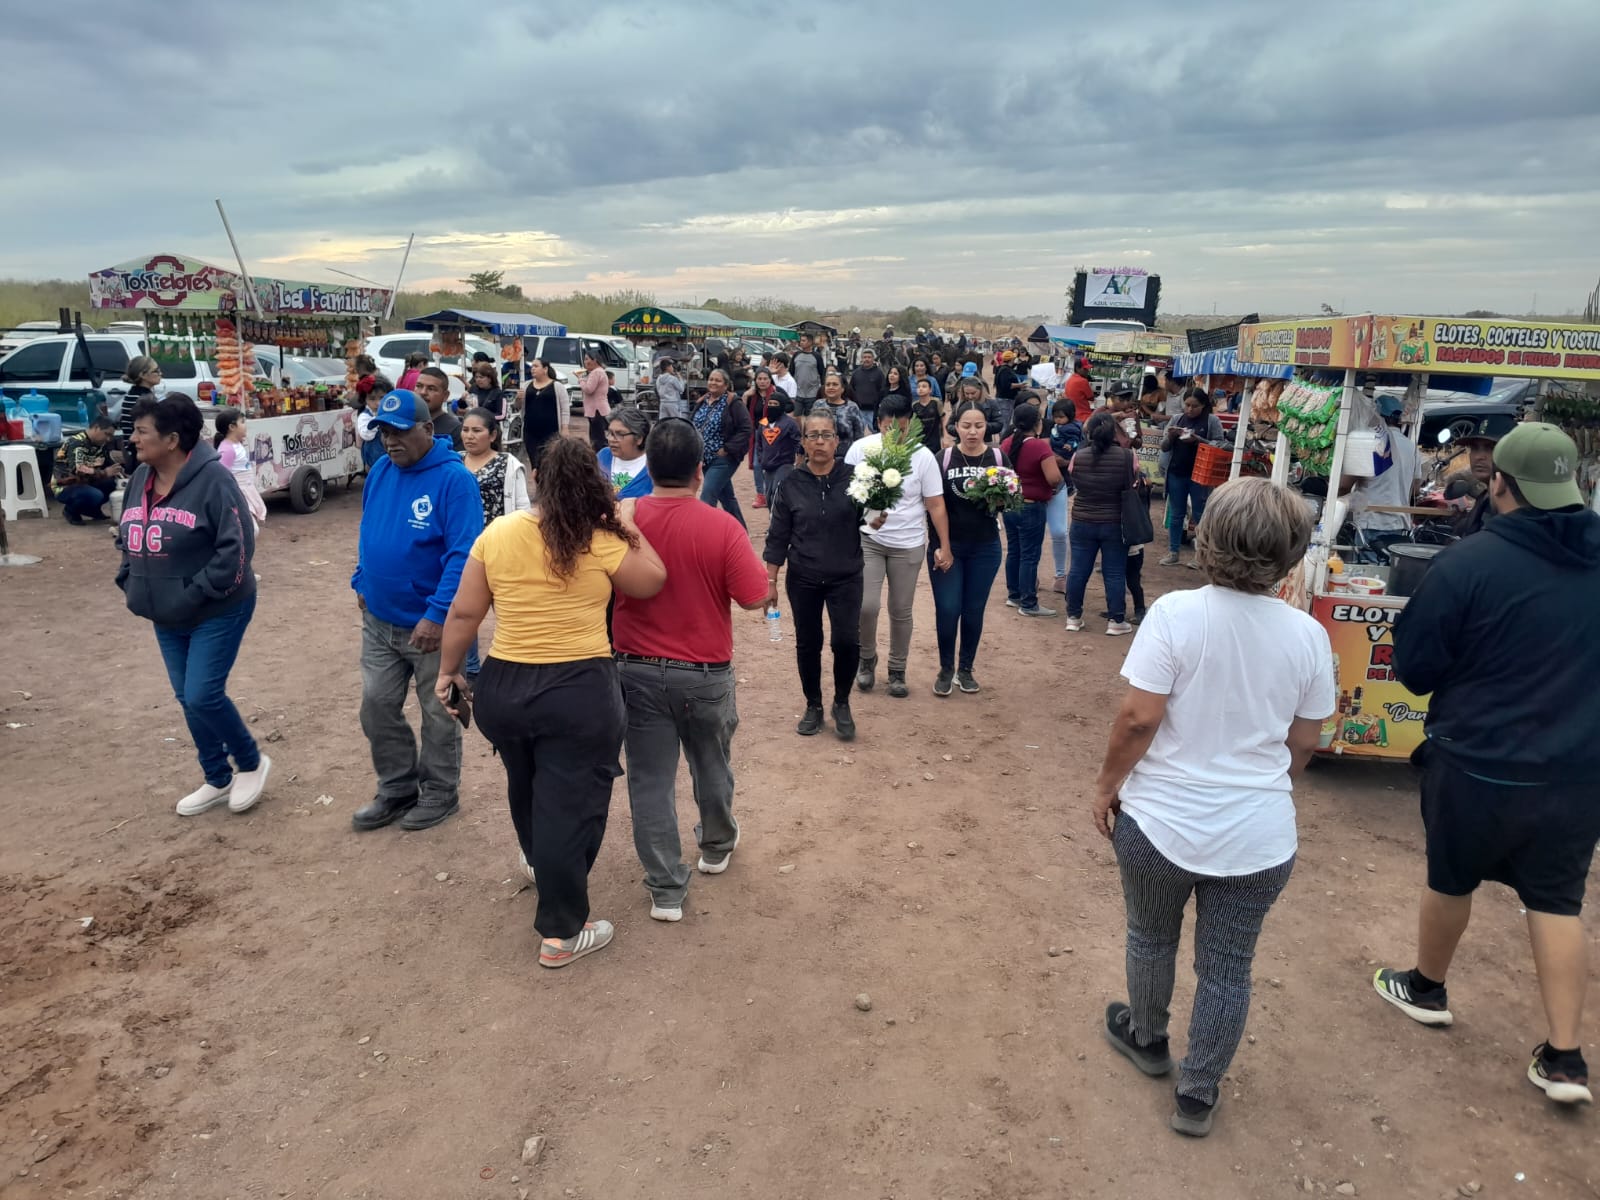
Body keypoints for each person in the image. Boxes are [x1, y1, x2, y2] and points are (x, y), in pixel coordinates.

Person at [1093, 477, 1333, 1138]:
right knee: (1228, 968)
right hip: (1258, 838)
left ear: (1208, 537)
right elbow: (1305, 742)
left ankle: (1147, 1037)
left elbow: (1138, 719)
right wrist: (1260, 787)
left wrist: (1107, 785)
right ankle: (1197, 1093)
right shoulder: (1308, 635)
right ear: (1291, 553)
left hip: (1159, 823)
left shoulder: (1177, 615)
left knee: (1150, 935)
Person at [1374, 423, 1600, 1106]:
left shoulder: (1468, 563)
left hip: (1475, 760)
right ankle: (1565, 1060)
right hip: (1577, 770)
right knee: (1557, 901)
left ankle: (1426, 988)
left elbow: (1415, 668)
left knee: (1450, 877)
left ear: (1499, 483)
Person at [436, 436, 666, 968]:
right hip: (579, 691)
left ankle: (542, 864)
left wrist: (448, 672)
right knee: (572, 806)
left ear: (537, 478)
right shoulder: (599, 538)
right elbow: (652, 581)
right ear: (595, 484)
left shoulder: (499, 532)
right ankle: (562, 932)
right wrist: (625, 522)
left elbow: (465, 614)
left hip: (505, 688)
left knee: (527, 783)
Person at [612, 420, 770, 922]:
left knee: (650, 781)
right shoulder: (721, 526)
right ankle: (716, 844)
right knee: (712, 762)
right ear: (700, 471)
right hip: (704, 672)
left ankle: (665, 888)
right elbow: (753, 598)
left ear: (649, 467)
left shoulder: (622, 521)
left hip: (635, 669)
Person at [118, 395, 270, 817]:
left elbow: (238, 548)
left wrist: (194, 592)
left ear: (171, 439)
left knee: (202, 694)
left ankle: (251, 763)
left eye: (141, 432)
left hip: (217, 608)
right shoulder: (140, 478)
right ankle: (217, 777)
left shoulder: (214, 480)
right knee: (187, 698)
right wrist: (129, 578)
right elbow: (126, 534)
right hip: (164, 612)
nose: (133, 439)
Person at [350, 390, 483, 834]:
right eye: (385, 433)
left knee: (440, 711)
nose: (391, 441)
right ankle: (397, 787)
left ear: (428, 429)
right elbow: (369, 529)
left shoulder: (454, 480)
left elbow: (464, 555)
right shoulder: (381, 471)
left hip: (434, 627)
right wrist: (360, 579)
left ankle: (441, 792)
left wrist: (437, 614)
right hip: (379, 621)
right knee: (376, 706)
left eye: (400, 432)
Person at [763, 410, 864, 740]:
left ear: (837, 441)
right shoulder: (790, 484)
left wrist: (879, 517)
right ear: (803, 443)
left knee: (846, 641)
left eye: (826, 435)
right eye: (813, 436)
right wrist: (770, 581)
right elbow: (777, 536)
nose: (820, 442)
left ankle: (842, 702)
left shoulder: (856, 478)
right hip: (803, 577)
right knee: (808, 643)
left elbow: (871, 516)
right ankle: (814, 704)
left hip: (846, 575)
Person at [846, 394, 951, 698]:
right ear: (878, 423)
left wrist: (945, 545)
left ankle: (897, 669)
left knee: (900, 609)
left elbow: (935, 504)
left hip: (908, 544)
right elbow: (847, 495)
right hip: (869, 540)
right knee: (866, 606)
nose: (895, 436)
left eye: (902, 430)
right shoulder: (860, 450)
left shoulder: (923, 457)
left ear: (911, 425)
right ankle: (866, 659)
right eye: (888, 429)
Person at [927, 401, 1008, 696]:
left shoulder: (997, 457)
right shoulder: (944, 458)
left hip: (985, 548)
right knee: (948, 608)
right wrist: (941, 546)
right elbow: (932, 505)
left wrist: (1001, 499)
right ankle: (946, 668)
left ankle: (965, 669)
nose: (972, 432)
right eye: (966, 426)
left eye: (979, 426)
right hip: (948, 547)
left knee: (974, 610)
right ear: (955, 427)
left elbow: (1010, 498)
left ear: (987, 427)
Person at [1065, 411, 1141, 635]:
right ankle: (1116, 621)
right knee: (1115, 572)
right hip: (1115, 521)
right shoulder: (1127, 456)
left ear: (1089, 433)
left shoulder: (1078, 456)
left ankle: (1073, 617)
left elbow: (1073, 478)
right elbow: (1134, 481)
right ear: (1113, 433)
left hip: (1082, 519)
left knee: (1078, 570)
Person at [999, 403, 1062, 618]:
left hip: (1011, 504)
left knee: (1014, 550)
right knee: (1030, 555)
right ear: (1038, 423)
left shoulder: (1007, 443)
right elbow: (1054, 478)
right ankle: (1028, 602)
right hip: (1031, 506)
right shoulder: (1039, 446)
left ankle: (1014, 594)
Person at [1345, 394, 1420, 559]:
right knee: (1390, 571)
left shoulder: (1370, 441)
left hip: (1371, 523)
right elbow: (1415, 489)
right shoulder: (1412, 448)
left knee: (1367, 571)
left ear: (1377, 415)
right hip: (1399, 525)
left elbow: (1345, 484)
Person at [1158, 388, 1223, 567]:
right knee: (1176, 514)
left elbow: (1220, 444)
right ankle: (1173, 552)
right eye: (1187, 405)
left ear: (1203, 405)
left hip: (1200, 475)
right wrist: (1171, 436)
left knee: (1201, 515)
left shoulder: (1211, 421)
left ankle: (1200, 556)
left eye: (1195, 406)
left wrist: (1198, 440)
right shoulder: (1176, 419)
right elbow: (1164, 447)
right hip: (1176, 472)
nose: (1190, 409)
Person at [691, 369, 753, 528]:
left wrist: (727, 448)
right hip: (705, 459)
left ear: (726, 385)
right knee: (727, 498)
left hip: (723, 459)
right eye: (711, 379)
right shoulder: (702, 401)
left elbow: (746, 428)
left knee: (707, 498)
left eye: (718, 380)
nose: (713, 383)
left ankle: (703, 535)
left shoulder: (733, 403)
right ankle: (741, 533)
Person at [1447, 414, 1511, 538]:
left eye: (1490, 448)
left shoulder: (1511, 504)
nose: (1478, 457)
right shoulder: (1487, 497)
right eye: (1475, 448)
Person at [461, 408, 532, 519]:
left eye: (477, 431)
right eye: (465, 430)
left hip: (496, 529)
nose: (469, 436)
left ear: (492, 435)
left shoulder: (507, 463)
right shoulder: (455, 460)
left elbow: (522, 507)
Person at [1044, 398, 1084, 594]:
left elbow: (1078, 445)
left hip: (1059, 481)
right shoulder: (1049, 427)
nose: (1058, 420)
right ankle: (1029, 577)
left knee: (1060, 532)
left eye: (1061, 417)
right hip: (1036, 488)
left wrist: (1067, 454)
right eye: (1056, 417)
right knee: (1033, 533)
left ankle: (1061, 576)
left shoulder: (1072, 428)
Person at [53, 416, 119, 525]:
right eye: (106, 434)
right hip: (66, 485)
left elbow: (107, 463)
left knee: (112, 483)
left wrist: (119, 471)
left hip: (86, 482)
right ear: (96, 428)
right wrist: (104, 473)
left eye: (111, 436)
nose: (108, 439)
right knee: (95, 494)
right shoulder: (77, 443)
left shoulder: (100, 445)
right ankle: (70, 511)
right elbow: (78, 470)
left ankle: (92, 510)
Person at [212, 409, 267, 532]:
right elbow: (220, 476)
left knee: (250, 530)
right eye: (242, 422)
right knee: (252, 530)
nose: (245, 425)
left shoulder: (237, 445)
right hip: (238, 494)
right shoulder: (227, 449)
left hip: (246, 491)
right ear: (232, 427)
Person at [756, 385, 802, 505]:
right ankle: (773, 515)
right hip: (768, 464)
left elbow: (797, 442)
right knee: (768, 496)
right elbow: (759, 442)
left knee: (777, 491)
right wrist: (761, 458)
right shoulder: (763, 422)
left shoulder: (790, 423)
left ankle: (782, 514)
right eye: (770, 403)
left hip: (784, 464)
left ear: (781, 406)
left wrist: (799, 457)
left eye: (775, 404)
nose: (772, 406)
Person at [744, 367, 783, 506]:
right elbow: (743, 412)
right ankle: (761, 495)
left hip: (774, 433)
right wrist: (745, 396)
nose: (762, 381)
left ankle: (772, 493)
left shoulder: (777, 392)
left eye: (765, 378)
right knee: (757, 464)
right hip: (757, 435)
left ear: (770, 380)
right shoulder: (752, 396)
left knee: (773, 465)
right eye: (759, 379)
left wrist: (764, 424)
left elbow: (787, 408)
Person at [116, 355, 162, 468]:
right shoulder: (144, 400)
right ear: (143, 375)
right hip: (141, 453)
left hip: (133, 451)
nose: (160, 373)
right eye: (156, 371)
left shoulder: (132, 394)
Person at [598, 408, 654, 499]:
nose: (611, 439)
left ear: (639, 438)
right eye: (610, 433)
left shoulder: (653, 467)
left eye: (620, 434)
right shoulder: (603, 456)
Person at [520, 357, 564, 472]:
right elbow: (519, 407)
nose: (532, 369)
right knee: (535, 463)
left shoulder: (557, 386)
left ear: (545, 369)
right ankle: (538, 482)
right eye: (532, 366)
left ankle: (548, 482)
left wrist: (565, 427)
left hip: (551, 432)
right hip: (530, 431)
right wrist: (518, 399)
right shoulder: (526, 385)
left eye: (536, 366)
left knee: (549, 462)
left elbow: (564, 409)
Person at [944, 371, 1002, 444]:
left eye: (973, 393)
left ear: (980, 390)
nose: (970, 396)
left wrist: (981, 426)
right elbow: (949, 426)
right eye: (967, 393)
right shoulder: (958, 405)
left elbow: (999, 424)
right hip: (962, 443)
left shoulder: (991, 403)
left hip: (985, 442)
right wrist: (962, 429)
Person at [414, 366, 464, 452]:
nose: (423, 392)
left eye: (431, 389)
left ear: (445, 396)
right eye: (419, 386)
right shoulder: (405, 421)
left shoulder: (455, 430)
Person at [819, 370, 867, 458]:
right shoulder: (818, 405)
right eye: (828, 384)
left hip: (846, 456)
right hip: (821, 454)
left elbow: (859, 435)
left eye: (835, 384)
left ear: (842, 389)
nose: (831, 387)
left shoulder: (852, 407)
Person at [578, 351, 611, 452]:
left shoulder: (596, 372)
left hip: (596, 410)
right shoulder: (600, 371)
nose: (585, 362)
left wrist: (581, 380)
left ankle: (600, 457)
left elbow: (588, 389)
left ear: (595, 360)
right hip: (599, 409)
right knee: (598, 436)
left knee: (597, 438)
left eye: (587, 359)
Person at [849, 347, 888, 426]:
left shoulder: (879, 373)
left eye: (869, 357)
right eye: (864, 357)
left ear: (873, 359)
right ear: (861, 359)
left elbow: (883, 390)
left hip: (873, 411)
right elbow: (851, 390)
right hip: (858, 410)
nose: (866, 359)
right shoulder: (856, 373)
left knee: (873, 431)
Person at [911, 376, 942, 456]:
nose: (920, 389)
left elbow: (943, 418)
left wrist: (945, 435)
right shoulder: (914, 405)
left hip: (935, 438)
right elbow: (912, 423)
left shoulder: (936, 402)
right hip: (920, 438)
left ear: (930, 390)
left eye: (924, 386)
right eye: (918, 387)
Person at [792, 332, 825, 402]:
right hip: (797, 393)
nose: (801, 342)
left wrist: (823, 390)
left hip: (812, 394)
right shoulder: (796, 355)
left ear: (810, 342)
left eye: (803, 341)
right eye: (801, 340)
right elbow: (791, 372)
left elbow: (822, 373)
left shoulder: (817, 356)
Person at [653, 355, 687, 419]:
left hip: (663, 403)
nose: (672, 368)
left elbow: (657, 390)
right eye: (671, 366)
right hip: (673, 403)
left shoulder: (658, 379)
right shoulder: (672, 379)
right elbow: (681, 389)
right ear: (667, 367)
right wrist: (680, 377)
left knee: (663, 421)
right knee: (676, 421)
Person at [1064, 358, 1096, 424]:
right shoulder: (1083, 381)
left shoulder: (1070, 379)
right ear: (1077, 368)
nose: (1087, 371)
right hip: (1083, 416)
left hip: (1072, 416)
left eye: (1087, 369)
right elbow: (1091, 397)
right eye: (1085, 369)